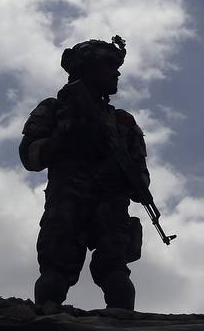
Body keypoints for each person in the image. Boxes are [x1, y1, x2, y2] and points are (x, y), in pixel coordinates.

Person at [19, 35, 151, 310]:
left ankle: (121, 324)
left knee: (115, 273)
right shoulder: (55, 109)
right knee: (55, 272)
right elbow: (29, 156)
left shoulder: (122, 121)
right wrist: (65, 140)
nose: (116, 73)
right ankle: (47, 322)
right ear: (86, 68)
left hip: (111, 206)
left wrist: (122, 175)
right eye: (108, 66)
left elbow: (141, 182)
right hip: (68, 202)